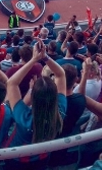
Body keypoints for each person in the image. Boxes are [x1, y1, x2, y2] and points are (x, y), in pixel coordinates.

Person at [5, 39, 66, 169]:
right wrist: (45, 57)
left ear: (33, 96)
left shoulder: (24, 117)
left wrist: (34, 59)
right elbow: (61, 75)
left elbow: (11, 83)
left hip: (17, 159)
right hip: (42, 158)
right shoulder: (59, 113)